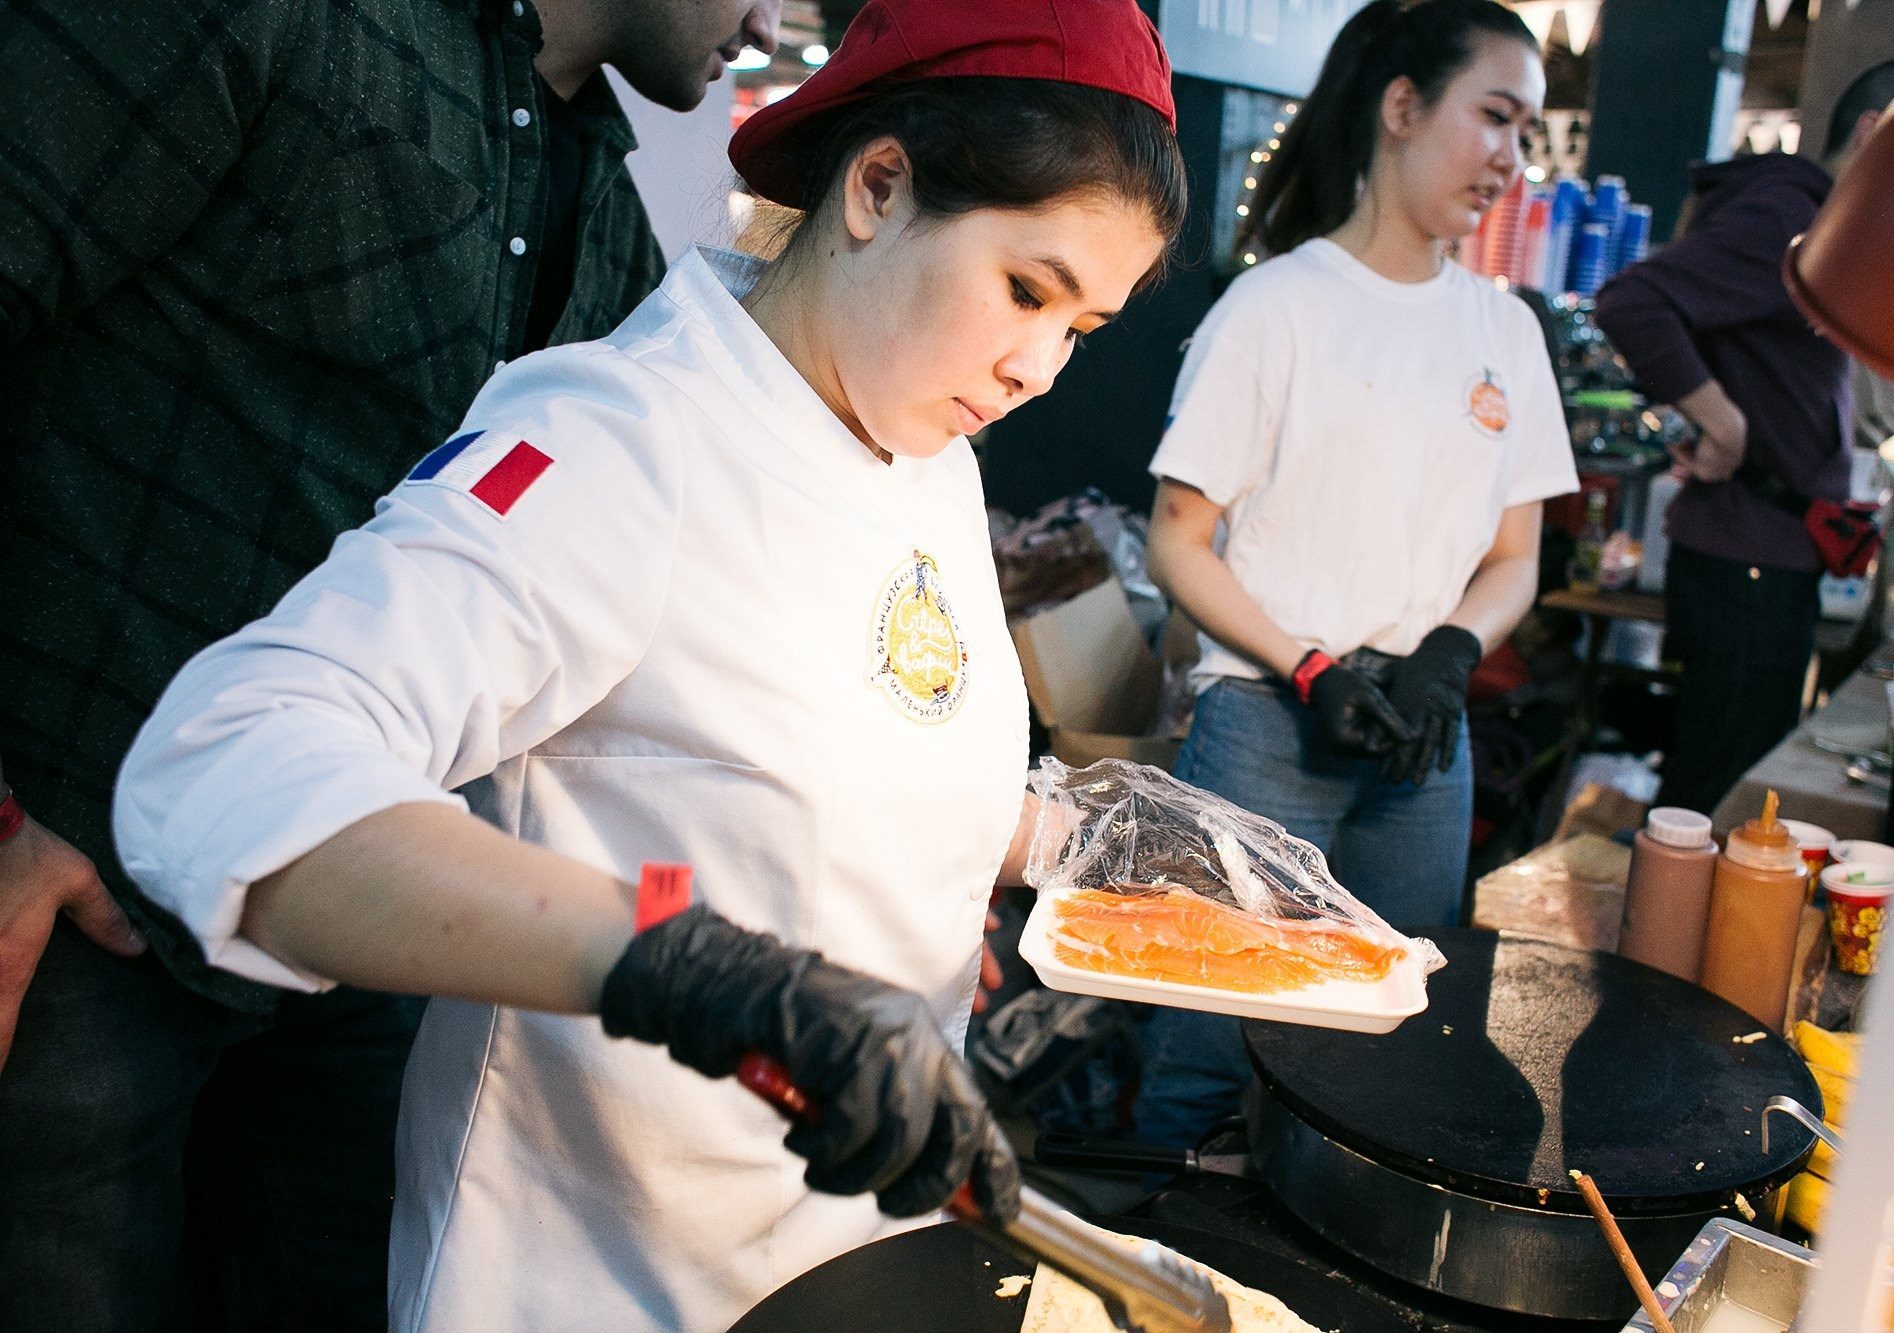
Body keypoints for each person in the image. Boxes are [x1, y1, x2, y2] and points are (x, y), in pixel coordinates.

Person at [111, 1, 1187, 1328]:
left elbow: (828, 759)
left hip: (854, 1251)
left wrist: (1094, 842)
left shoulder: (927, 453)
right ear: (878, 186)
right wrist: (687, 969)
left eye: (1082, 327)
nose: (1037, 369)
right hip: (607, 1280)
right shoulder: (623, 442)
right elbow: (227, 759)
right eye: (1026, 290)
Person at [0, 0, 779, 1327]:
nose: (765, 21)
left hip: (345, 942)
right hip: (76, 900)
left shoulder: (598, 203)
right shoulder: (283, 20)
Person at [1133, 0, 1576, 1150]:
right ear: (1400, 107)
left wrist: (1449, 652)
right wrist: (1309, 667)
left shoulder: (1504, 334)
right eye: (1493, 116)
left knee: (1379, 1060)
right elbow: (1175, 541)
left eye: (1526, 131)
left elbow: (1514, 559)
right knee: (1204, 1054)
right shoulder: (1274, 307)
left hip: (1421, 745)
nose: (1510, 156)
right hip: (1267, 729)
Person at [1595, 56, 1894, 816]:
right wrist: (1720, 417)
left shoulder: (1820, 221)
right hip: (1746, 555)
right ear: (1872, 131)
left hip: (1771, 550)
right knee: (1715, 800)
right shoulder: (1787, 215)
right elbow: (1633, 302)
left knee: (1732, 787)